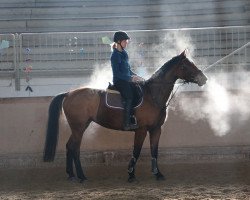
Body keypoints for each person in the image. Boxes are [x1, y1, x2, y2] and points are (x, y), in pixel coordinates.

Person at [110, 31, 143, 131]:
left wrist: (136, 76)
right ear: (119, 42)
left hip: (126, 80)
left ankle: (133, 117)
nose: (126, 43)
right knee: (129, 96)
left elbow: (128, 70)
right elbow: (117, 73)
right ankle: (126, 123)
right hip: (119, 81)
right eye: (125, 41)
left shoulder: (124, 53)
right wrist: (130, 78)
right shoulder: (115, 56)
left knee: (138, 91)